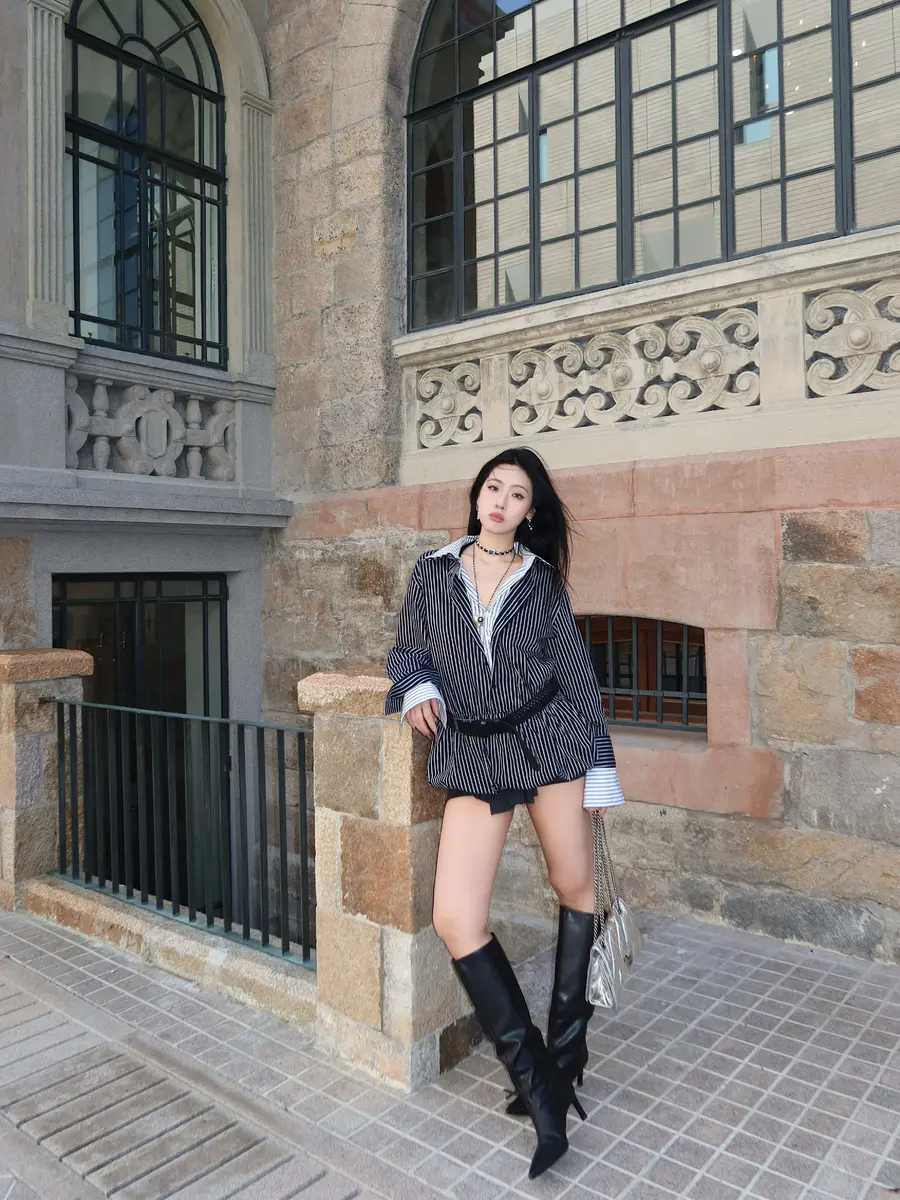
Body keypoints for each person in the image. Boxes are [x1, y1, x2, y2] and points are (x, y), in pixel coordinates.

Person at [384, 447, 625, 1179]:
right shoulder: (433, 571)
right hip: (476, 752)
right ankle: (540, 1086)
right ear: (477, 495)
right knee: (456, 916)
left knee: (576, 885)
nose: (501, 501)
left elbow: (576, 675)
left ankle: (567, 1056)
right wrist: (418, 686)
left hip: (549, 739)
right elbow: (407, 651)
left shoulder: (541, 580)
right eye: (494, 487)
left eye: (518, 495)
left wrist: (599, 768)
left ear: (529, 512)